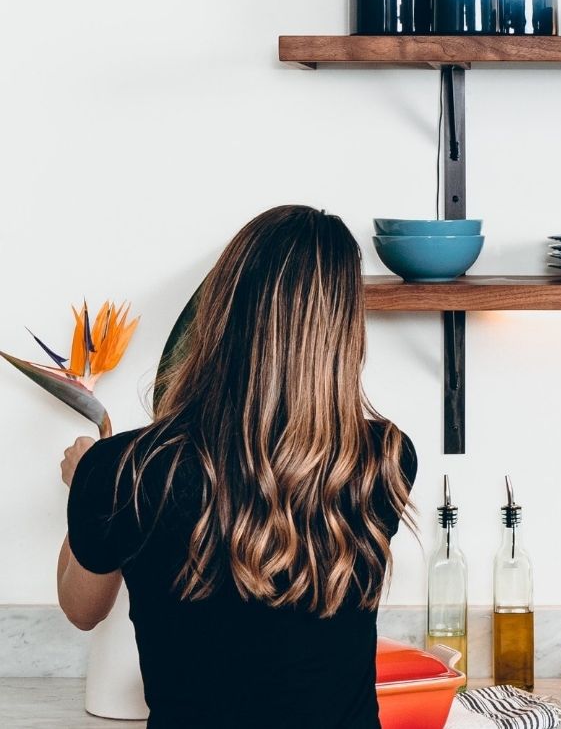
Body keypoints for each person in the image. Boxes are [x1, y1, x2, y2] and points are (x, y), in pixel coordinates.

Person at [57, 205, 418, 729]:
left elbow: (80, 609)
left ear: (218, 312)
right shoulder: (383, 460)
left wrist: (83, 485)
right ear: (343, 333)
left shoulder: (122, 470)